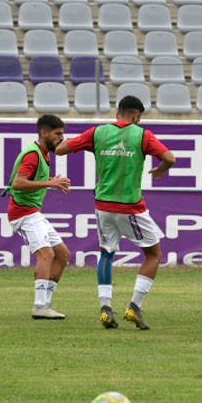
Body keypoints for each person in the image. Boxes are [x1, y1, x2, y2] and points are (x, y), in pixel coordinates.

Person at [56, 96, 175, 330]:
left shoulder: (97, 133)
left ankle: (105, 308)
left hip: (103, 206)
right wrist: (160, 169)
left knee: (106, 253)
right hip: (131, 207)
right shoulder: (142, 135)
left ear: (117, 112)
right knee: (153, 255)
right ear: (136, 116)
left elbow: (60, 150)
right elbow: (170, 158)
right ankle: (134, 306)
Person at [5, 115, 71, 320]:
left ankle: (46, 303)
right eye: (58, 134)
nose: (62, 138)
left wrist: (51, 180)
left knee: (62, 255)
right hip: (23, 213)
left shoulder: (44, 153)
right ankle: (40, 306)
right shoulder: (33, 155)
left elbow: (32, 180)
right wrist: (50, 184)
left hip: (32, 212)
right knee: (46, 254)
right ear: (44, 133)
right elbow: (18, 183)